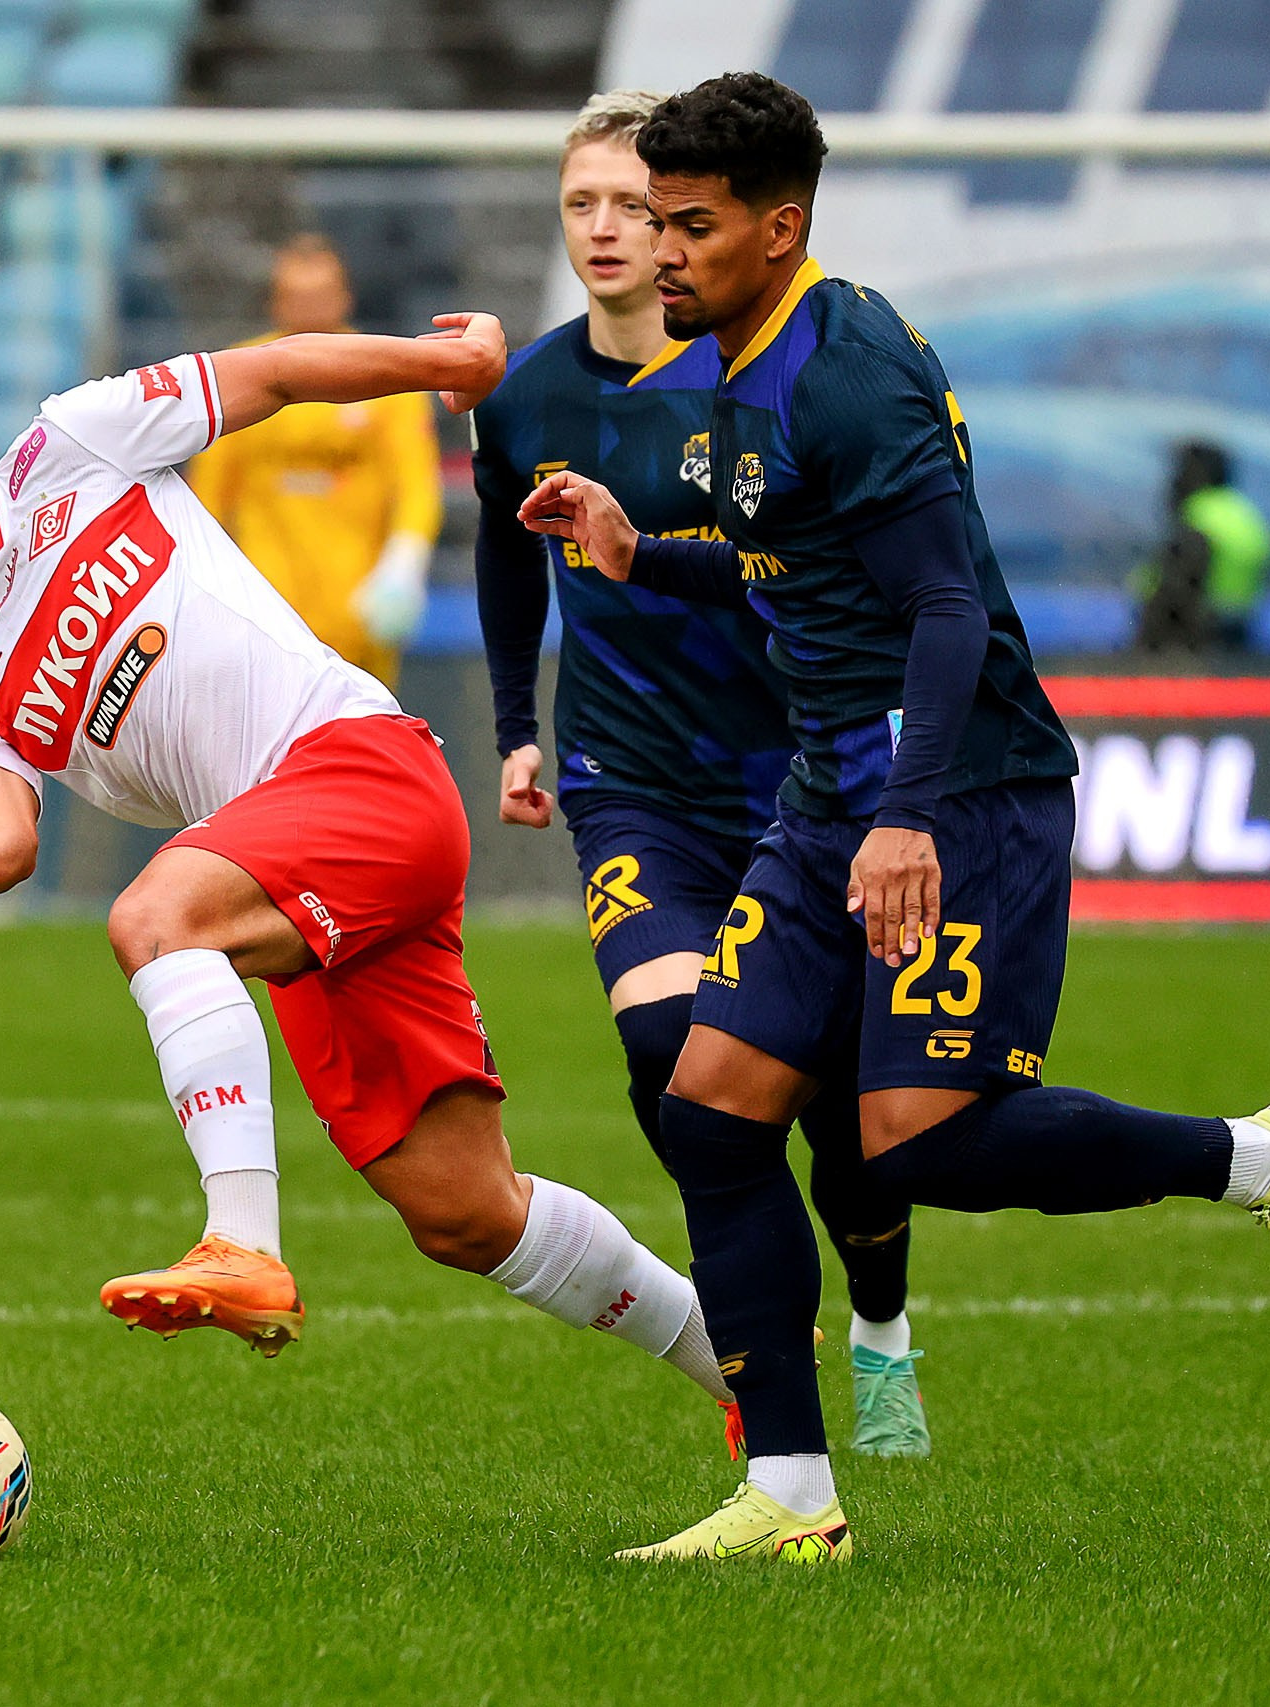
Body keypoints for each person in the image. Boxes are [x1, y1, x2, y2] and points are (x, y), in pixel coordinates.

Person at [520, 71, 1270, 1563]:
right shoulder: (739, 352)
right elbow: (789, 568)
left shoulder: (847, 370)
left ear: (779, 226)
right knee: (709, 1107)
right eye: (655, 221)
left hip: (961, 791)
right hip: (828, 795)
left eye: (690, 226)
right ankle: (792, 1496)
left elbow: (944, 608)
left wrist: (910, 816)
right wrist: (635, 550)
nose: (660, 252)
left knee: (921, 1141)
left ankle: (1260, 1157)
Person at [0, 321, 749, 1435]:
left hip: (356, 768)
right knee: (466, 1213)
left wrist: (442, 368)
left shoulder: (69, 445)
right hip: (290, 869)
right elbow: (3, 834)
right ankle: (742, 1362)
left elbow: (271, 373)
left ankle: (241, 1240)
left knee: (155, 918)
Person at [474, 89, 927, 1459]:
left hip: (800, 775)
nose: (609, 230)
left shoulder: (754, 376)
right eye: (583, 205)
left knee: (847, 1114)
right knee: (668, 1051)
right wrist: (515, 724)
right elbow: (504, 553)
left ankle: (882, 1320)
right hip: (631, 778)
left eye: (635, 206)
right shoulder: (525, 395)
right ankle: (767, 1346)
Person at [186, 234, 440, 688]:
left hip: (359, 607)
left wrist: (404, 564)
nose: (309, 310)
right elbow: (206, 499)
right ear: (275, 302)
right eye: (296, 297)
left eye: (320, 296)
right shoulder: (234, 375)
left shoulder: (389, 373)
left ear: (344, 297)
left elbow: (416, 483)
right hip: (263, 610)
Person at [1132, 438, 1270, 654]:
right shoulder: (1245, 513)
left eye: (1179, 472)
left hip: (1198, 633)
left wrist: (1145, 645)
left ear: (1193, 475)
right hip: (1239, 627)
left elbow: (1176, 588)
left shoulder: (1200, 515)